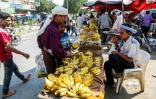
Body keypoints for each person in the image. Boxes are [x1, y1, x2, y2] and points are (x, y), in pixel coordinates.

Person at [0, 12, 31, 98]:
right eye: (7, 20)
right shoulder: (2, 32)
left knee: (14, 68)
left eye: (10, 20)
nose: (9, 22)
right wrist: (23, 53)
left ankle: (23, 78)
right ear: (1, 20)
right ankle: (5, 92)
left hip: (4, 55)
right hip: (6, 56)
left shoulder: (3, 30)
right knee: (8, 73)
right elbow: (9, 47)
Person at [37, 6, 71, 74]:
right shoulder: (54, 30)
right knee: (53, 76)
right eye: (64, 17)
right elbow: (55, 50)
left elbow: (39, 38)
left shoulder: (45, 24)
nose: (65, 20)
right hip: (51, 58)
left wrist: (43, 48)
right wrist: (65, 54)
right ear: (58, 16)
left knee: (50, 75)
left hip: (46, 54)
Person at [104, 23, 140, 88]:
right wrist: (115, 42)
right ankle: (110, 83)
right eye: (120, 33)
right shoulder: (124, 40)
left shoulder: (133, 43)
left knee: (113, 56)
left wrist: (117, 53)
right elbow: (120, 50)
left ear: (128, 33)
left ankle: (120, 72)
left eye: (122, 33)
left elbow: (130, 59)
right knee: (107, 64)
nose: (120, 35)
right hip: (123, 61)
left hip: (130, 64)